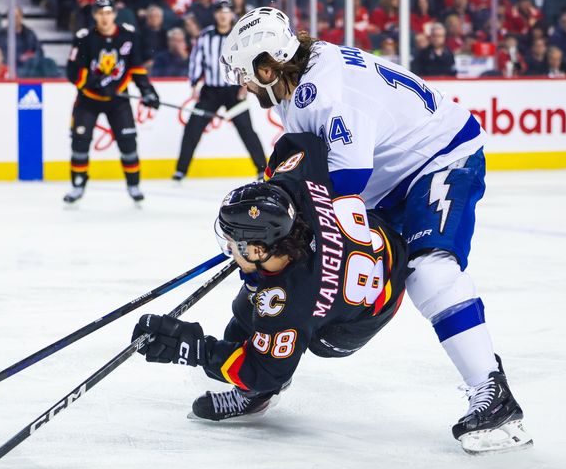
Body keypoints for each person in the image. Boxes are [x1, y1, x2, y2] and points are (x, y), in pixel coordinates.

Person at [219, 7, 532, 454]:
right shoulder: (301, 78)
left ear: (268, 67)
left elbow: (346, 185)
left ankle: (493, 392)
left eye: (246, 73)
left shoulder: (322, 93)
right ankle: (263, 376)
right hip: (389, 176)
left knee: (429, 271)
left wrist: (291, 230)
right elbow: (319, 170)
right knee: (300, 262)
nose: (242, 83)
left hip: (440, 158)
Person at [132, 131, 408, 422]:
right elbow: (305, 144)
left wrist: (195, 348)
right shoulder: (299, 196)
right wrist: (273, 194)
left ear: (257, 248)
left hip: (363, 315)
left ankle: (253, 402)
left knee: (253, 322)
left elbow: (264, 373)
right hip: (380, 239)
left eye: (233, 241)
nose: (228, 246)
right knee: (245, 311)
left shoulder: (287, 306)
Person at [64, 0, 160, 203]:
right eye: (100, 13)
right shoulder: (84, 37)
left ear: (114, 14)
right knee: (80, 142)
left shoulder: (128, 36)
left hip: (118, 101)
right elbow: (73, 71)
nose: (105, 18)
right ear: (94, 15)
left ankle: (133, 185)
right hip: (88, 100)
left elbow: (136, 68)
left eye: (108, 13)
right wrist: (94, 83)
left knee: (128, 142)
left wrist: (147, 91)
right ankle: (78, 185)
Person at [173, 0, 266, 181]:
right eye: (220, 12)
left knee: (247, 130)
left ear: (231, 13)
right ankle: (180, 170)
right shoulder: (205, 36)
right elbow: (196, 60)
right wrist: (194, 83)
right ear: (215, 14)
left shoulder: (241, 35)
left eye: (226, 12)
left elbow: (250, 60)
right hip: (211, 92)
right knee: (193, 128)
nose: (223, 16)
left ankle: (262, 169)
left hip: (235, 91)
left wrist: (247, 85)